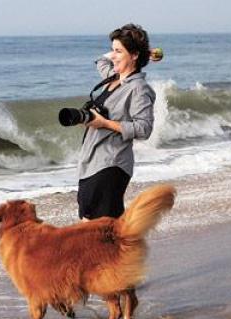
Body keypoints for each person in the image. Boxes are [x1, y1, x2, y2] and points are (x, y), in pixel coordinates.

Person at [77, 23, 156, 221]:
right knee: (93, 227)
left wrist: (104, 123)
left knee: (98, 229)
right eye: (114, 50)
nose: (114, 56)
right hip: (92, 162)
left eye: (119, 51)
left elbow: (144, 128)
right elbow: (101, 61)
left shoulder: (139, 88)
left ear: (134, 55)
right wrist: (139, 52)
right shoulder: (113, 77)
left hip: (112, 164)